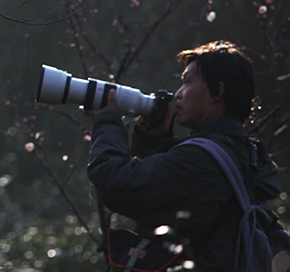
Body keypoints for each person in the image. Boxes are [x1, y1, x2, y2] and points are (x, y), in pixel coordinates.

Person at [85, 40, 281, 272]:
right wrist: (153, 140)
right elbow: (169, 201)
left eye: (187, 82)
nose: (178, 94)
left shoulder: (202, 160)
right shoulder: (243, 152)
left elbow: (116, 183)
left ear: (217, 92)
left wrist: (107, 121)